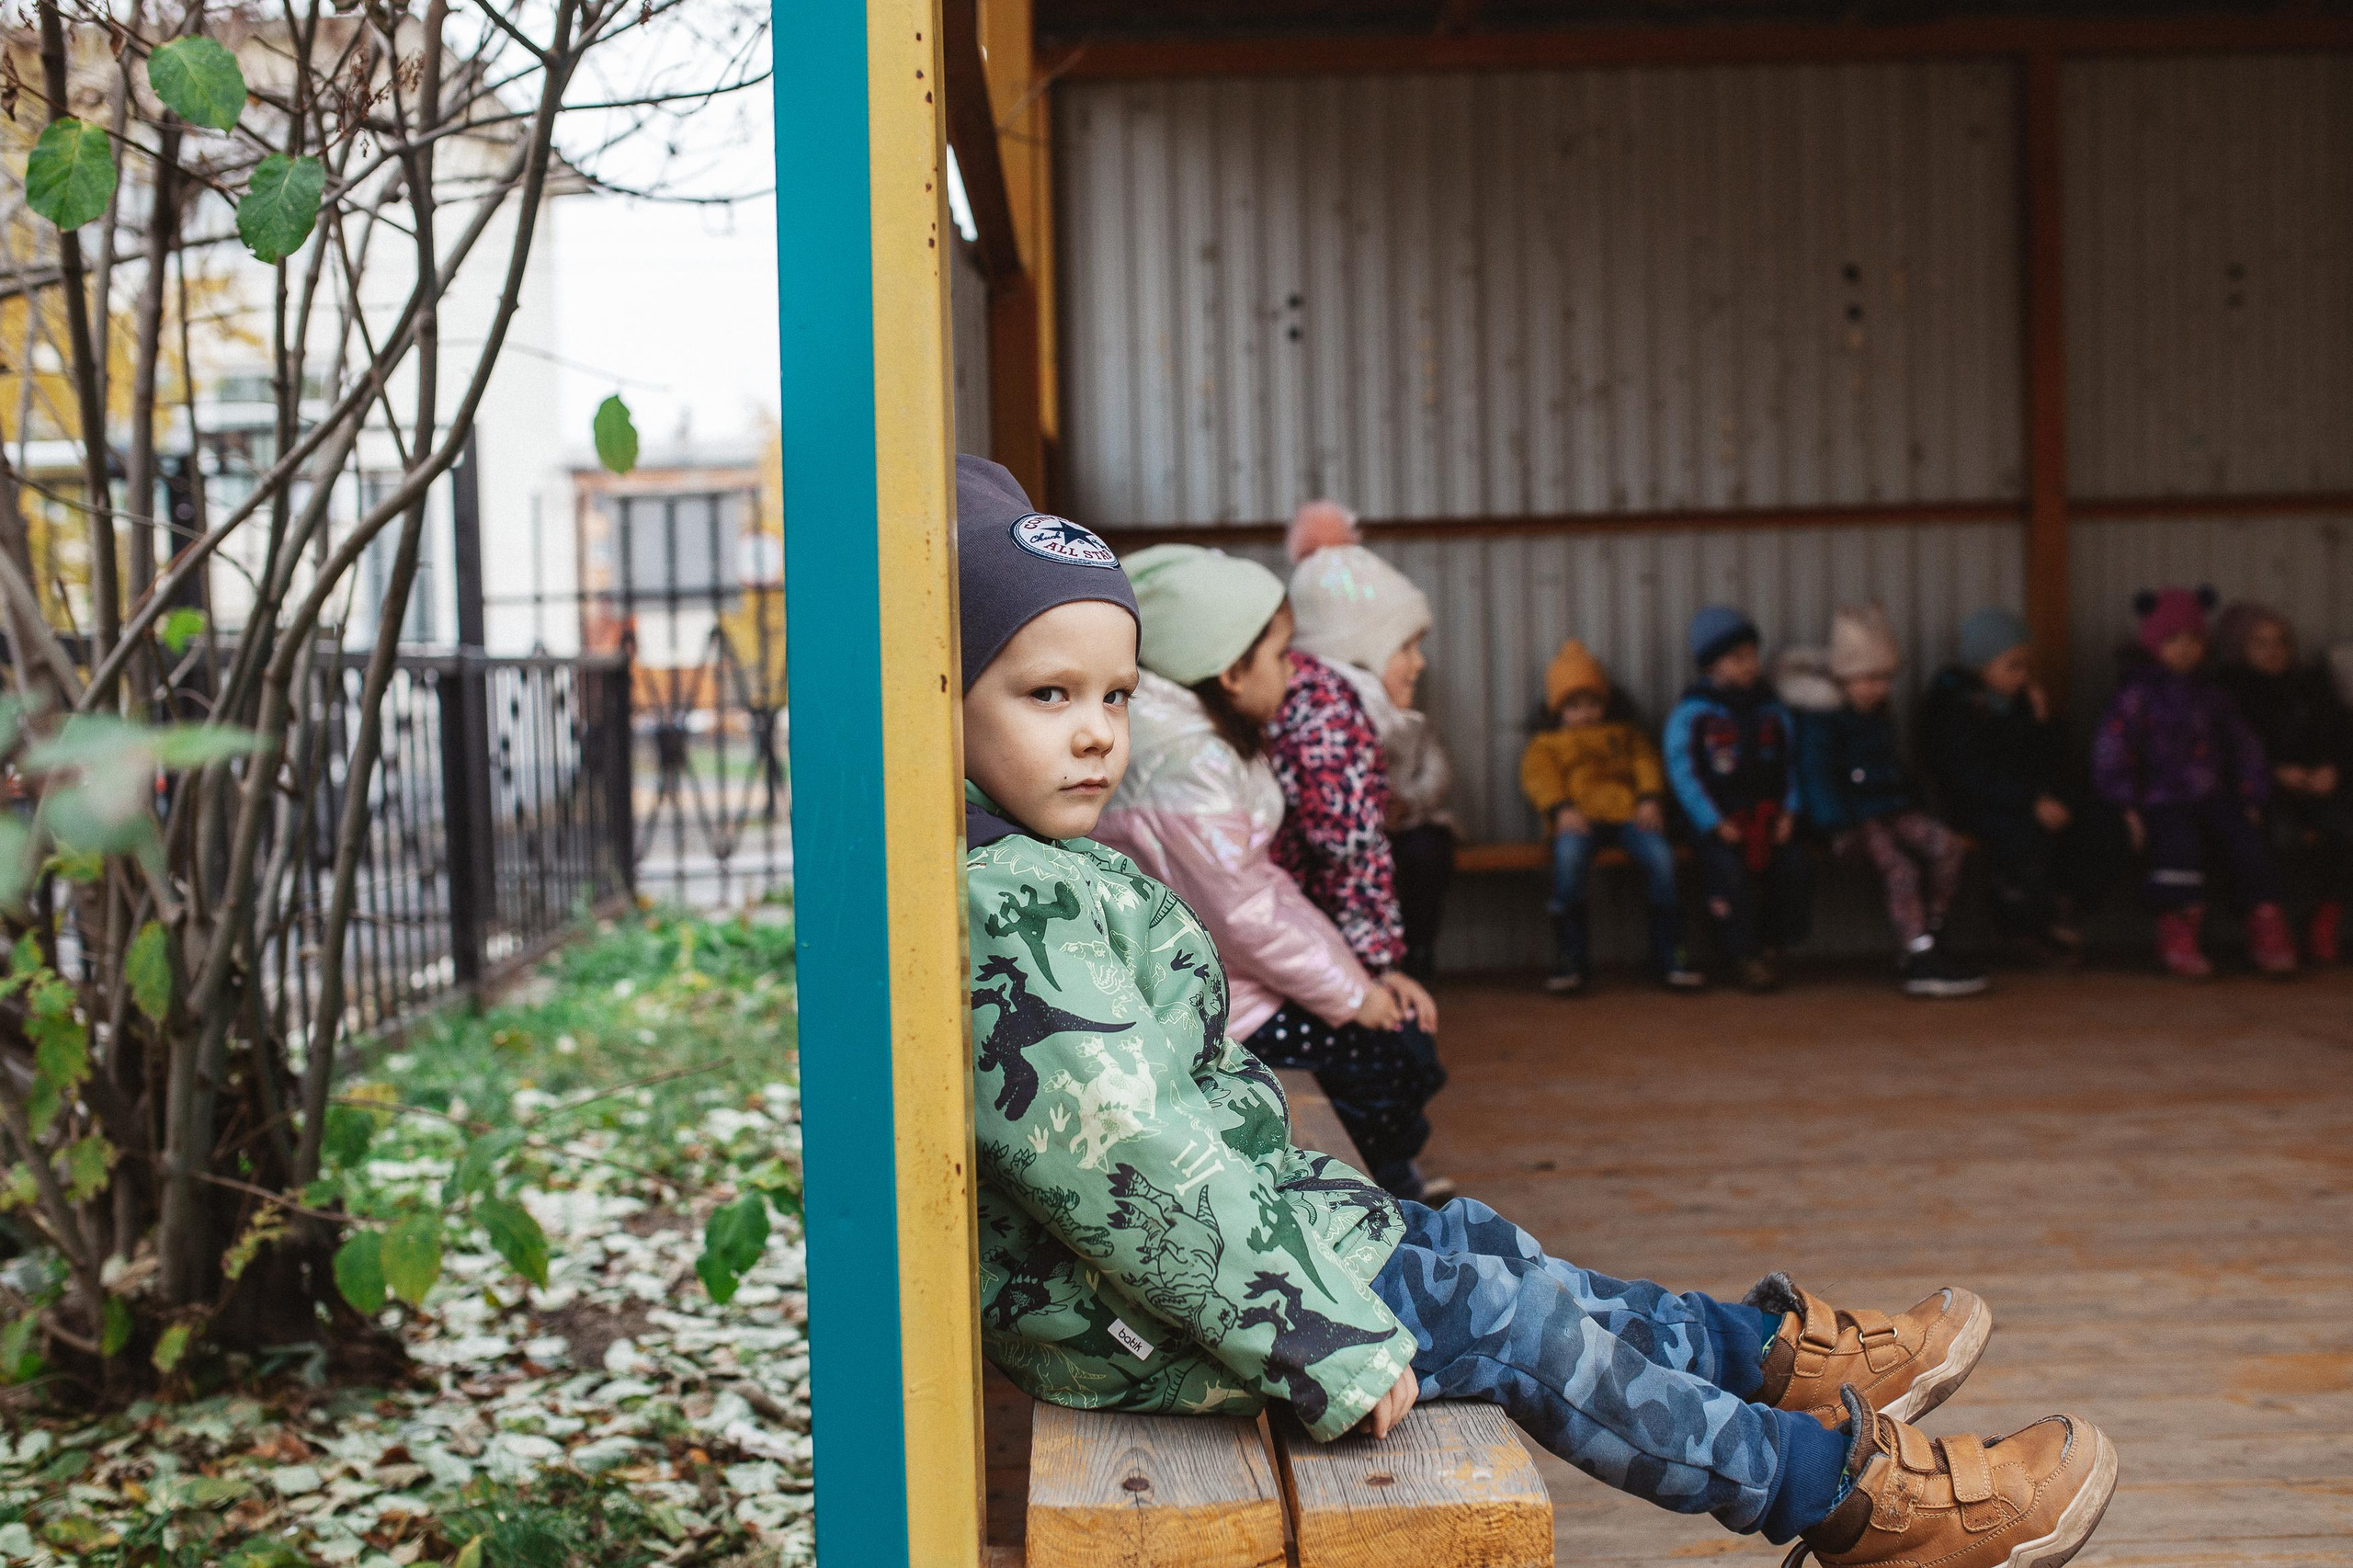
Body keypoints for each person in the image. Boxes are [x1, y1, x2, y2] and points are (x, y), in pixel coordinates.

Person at [952, 456, 2118, 1568]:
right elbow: (1131, 1165)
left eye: (1115, 692)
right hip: (1151, 1319)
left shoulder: (1036, 861)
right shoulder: (1007, 903)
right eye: (1047, 694)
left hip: (1209, 1272)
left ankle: (1766, 1354)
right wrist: (1317, 1334)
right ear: (942, 694)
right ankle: (1852, 1500)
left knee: (1484, 1249)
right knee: (1521, 1326)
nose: (1097, 728)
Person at [1088, 539, 1450, 1202]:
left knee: (1393, 1049)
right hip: (1203, 1005)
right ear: (1229, 671)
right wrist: (1353, 995)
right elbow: (1245, 914)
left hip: (1224, 983)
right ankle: (1360, 1196)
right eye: (1282, 656)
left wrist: (1353, 977)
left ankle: (1372, 1184)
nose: (1295, 674)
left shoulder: (1202, 747)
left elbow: (1263, 887)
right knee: (1385, 1058)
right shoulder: (1187, 766)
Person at [1780, 607, 1986, 998]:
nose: (1880, 688)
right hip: (1848, 824)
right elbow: (1817, 777)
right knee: (1900, 868)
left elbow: (1896, 769)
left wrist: (1916, 802)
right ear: (1844, 678)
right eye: (1870, 678)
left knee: (1946, 845)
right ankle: (1920, 956)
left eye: (1886, 678)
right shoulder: (1821, 722)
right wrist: (1838, 824)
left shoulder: (1880, 717)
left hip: (1888, 811)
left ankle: (1932, 932)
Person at [2092, 586, 2296, 978]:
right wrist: (2127, 803)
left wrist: (2253, 793)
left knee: (2248, 842)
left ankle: (2265, 922)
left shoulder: (2214, 696)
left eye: (2193, 640)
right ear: (2154, 643)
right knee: (2177, 845)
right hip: (2161, 798)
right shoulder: (2135, 696)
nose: (2184, 649)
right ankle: (2178, 927)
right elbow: (2111, 750)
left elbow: (2244, 745)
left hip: (2215, 795)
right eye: (2172, 640)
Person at [1288, 519, 1459, 983]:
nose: (1420, 663)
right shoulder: (1331, 727)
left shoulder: (1324, 711)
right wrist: (1381, 976)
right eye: (1406, 646)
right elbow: (1350, 866)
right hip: (1327, 970)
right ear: (1362, 649)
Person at [1920, 608, 2123, 962]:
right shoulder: (1954, 708)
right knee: (2023, 839)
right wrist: (2031, 801)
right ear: (1983, 665)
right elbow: (1968, 777)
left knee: (2104, 821)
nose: (2023, 675)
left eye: (2027, 665)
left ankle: (2064, 906)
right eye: (2013, 665)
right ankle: (2026, 931)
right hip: (1980, 806)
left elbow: (2049, 765)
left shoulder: (2023, 704)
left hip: (2031, 799)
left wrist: (2042, 723)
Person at [1518, 639, 1704, 994]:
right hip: (1579, 820)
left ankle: (1670, 955)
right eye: (1573, 705)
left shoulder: (1626, 735)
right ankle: (1571, 958)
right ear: (1557, 709)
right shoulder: (1546, 744)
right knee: (1568, 862)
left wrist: (1650, 799)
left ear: (1606, 702)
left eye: (1592, 702)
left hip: (1630, 816)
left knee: (1663, 860)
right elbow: (1539, 778)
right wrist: (1560, 810)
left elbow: (1647, 763)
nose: (1585, 712)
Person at [1664, 606, 1813, 992]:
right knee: (1727, 873)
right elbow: (1684, 773)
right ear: (1712, 665)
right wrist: (1712, 820)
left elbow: (1789, 765)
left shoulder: (1772, 710)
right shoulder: (1692, 714)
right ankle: (1743, 956)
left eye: (1753, 655)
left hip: (1767, 817)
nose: (1750, 665)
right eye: (1737, 658)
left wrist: (1789, 812)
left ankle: (1772, 945)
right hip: (1717, 821)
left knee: (1794, 862)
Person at [2214, 601, 2353, 965]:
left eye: (2280, 642)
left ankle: (2324, 920)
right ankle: (2266, 924)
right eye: (2260, 643)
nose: (2273, 651)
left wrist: (2333, 769)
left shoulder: (2311, 686)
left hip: (2316, 787)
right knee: (2276, 833)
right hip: (2260, 791)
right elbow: (2222, 753)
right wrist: (2273, 773)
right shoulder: (2228, 692)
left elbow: (2340, 736)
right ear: (2241, 647)